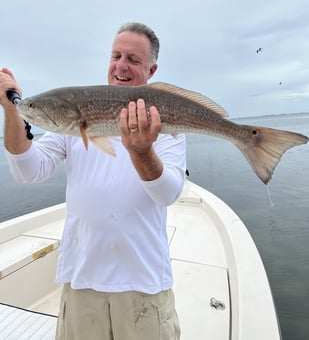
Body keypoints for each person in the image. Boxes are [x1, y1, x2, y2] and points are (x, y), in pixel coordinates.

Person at [0, 22, 186, 340]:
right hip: (81, 280)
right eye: (116, 55)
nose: (121, 65)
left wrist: (141, 152)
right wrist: (13, 111)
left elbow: (168, 193)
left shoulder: (162, 120)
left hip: (143, 285)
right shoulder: (72, 122)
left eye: (133, 59)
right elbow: (28, 170)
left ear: (151, 69)